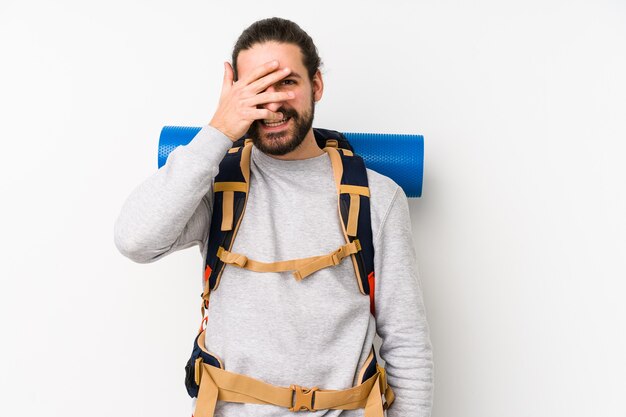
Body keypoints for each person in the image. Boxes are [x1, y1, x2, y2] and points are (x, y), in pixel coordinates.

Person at [114, 17, 433, 417]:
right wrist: (218, 130)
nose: (272, 103)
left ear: (316, 85)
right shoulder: (214, 182)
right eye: (256, 88)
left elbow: (408, 345)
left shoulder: (378, 196)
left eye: (286, 82)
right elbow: (134, 240)